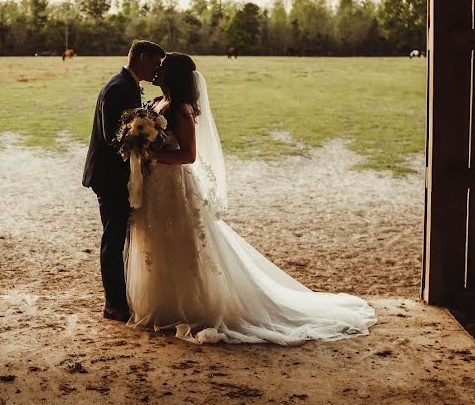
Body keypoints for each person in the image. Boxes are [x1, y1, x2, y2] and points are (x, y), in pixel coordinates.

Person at [124, 52, 377, 344]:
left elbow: (189, 155)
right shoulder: (157, 103)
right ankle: (163, 304)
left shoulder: (180, 110)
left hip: (174, 185)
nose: (156, 70)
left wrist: (152, 153)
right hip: (156, 187)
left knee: (184, 242)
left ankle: (190, 305)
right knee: (158, 242)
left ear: (172, 75)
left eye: (162, 67)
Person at [82, 40, 165, 322]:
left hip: (118, 175)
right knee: (114, 237)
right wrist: (150, 139)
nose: (157, 71)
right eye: (155, 63)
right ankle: (114, 304)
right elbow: (112, 137)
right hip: (109, 176)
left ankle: (121, 298)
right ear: (143, 58)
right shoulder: (118, 87)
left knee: (120, 235)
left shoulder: (128, 85)